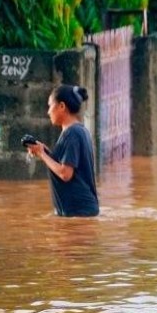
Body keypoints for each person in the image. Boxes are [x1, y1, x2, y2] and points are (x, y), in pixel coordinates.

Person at [25, 84, 99, 217]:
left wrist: (42, 153)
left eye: (50, 106)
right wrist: (43, 151)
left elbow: (66, 174)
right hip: (81, 212)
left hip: (78, 213)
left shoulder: (72, 134)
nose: (48, 112)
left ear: (62, 106)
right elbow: (66, 166)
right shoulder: (79, 130)